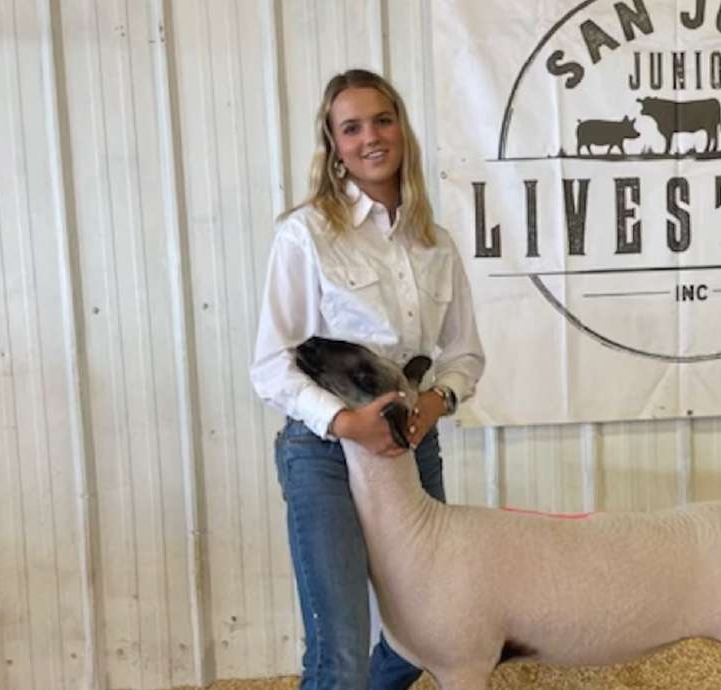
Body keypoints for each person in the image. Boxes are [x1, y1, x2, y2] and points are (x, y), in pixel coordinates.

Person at [250, 68, 485, 690]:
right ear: (334, 145)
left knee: (423, 636)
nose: (371, 138)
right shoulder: (306, 235)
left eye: (382, 121)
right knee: (340, 653)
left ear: (402, 130)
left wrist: (436, 401)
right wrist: (345, 421)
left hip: (410, 446)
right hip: (325, 452)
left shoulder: (435, 244)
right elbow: (271, 365)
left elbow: (464, 354)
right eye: (351, 128)